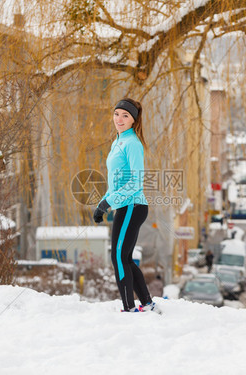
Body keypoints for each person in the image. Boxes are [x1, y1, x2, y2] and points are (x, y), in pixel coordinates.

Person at [93, 98, 156, 313]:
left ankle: (129, 308)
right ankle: (146, 303)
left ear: (133, 120)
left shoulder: (133, 144)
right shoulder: (118, 141)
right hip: (125, 206)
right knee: (125, 258)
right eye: (116, 113)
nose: (119, 119)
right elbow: (116, 180)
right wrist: (103, 204)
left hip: (133, 206)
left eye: (125, 115)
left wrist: (109, 201)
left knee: (118, 256)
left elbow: (136, 182)